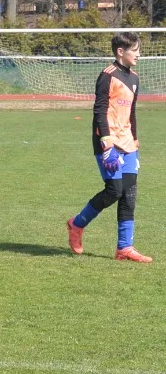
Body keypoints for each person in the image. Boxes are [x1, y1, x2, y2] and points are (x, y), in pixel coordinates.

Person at [67, 32, 150, 262]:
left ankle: (124, 248)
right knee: (114, 190)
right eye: (135, 50)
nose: (139, 54)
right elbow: (99, 111)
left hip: (128, 142)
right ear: (121, 52)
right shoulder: (107, 76)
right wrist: (106, 143)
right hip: (108, 141)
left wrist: (135, 141)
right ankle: (77, 224)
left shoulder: (134, 78)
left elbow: (131, 113)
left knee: (129, 193)